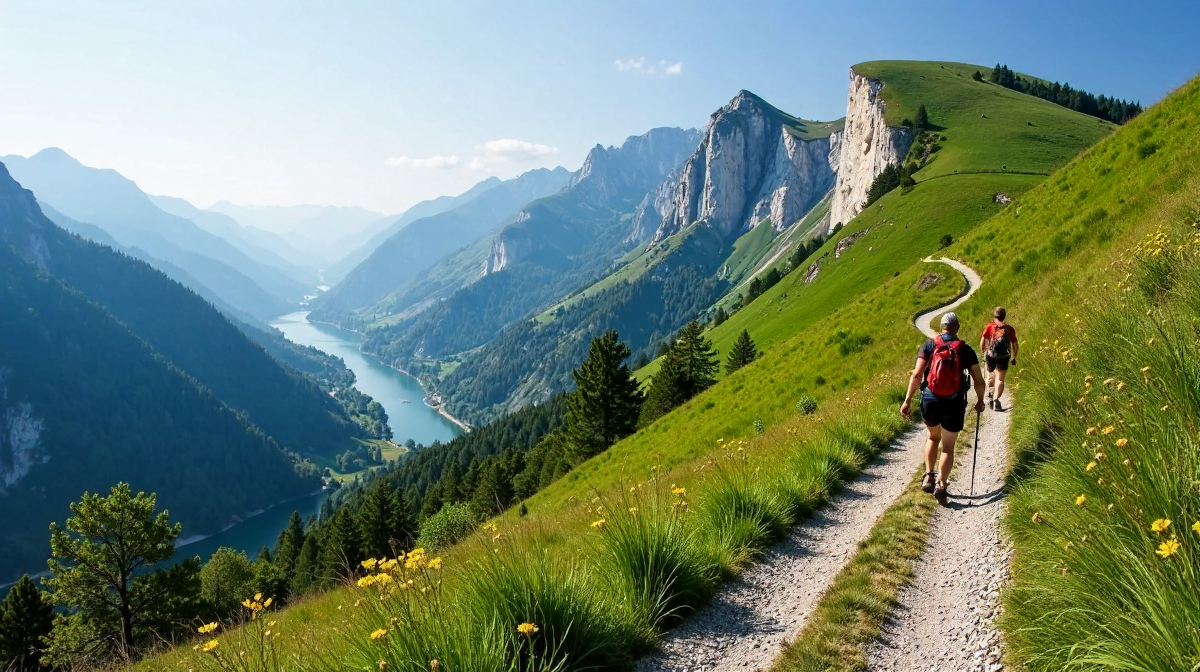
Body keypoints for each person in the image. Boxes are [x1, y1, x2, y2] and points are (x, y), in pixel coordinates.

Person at [900, 312, 986, 505]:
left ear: (941, 327)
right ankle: (941, 486)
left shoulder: (930, 345)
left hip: (930, 398)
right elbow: (979, 381)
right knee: (947, 448)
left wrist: (907, 400)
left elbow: (917, 375)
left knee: (932, 437)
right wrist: (980, 400)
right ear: (957, 328)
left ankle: (929, 476)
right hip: (954, 402)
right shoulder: (964, 349)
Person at [979, 306, 1018, 411]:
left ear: (994, 316)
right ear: (1004, 316)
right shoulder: (1009, 328)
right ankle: (996, 400)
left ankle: (991, 393)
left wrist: (983, 351)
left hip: (990, 356)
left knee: (990, 375)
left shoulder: (990, 326)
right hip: (1004, 357)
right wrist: (1014, 357)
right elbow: (1015, 344)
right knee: (1000, 379)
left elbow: (983, 340)